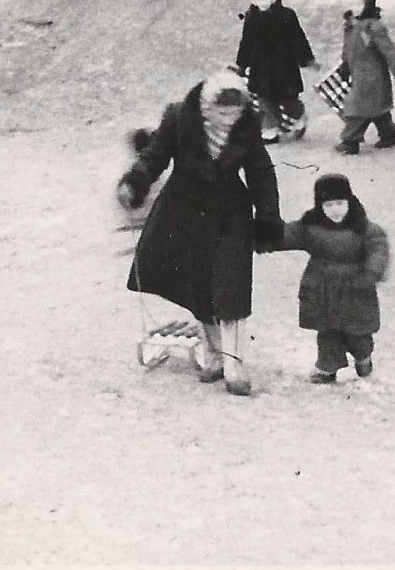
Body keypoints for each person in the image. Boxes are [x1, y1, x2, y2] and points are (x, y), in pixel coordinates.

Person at [117, 68, 283, 395]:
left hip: (230, 214)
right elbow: (155, 155)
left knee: (231, 287)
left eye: (235, 113)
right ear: (208, 106)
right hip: (186, 214)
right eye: (223, 113)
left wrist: (267, 218)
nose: (229, 119)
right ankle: (216, 356)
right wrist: (135, 183)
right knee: (201, 287)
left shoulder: (246, 126)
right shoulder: (179, 117)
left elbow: (261, 172)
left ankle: (235, 365)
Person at [274, 174, 390, 384]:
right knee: (327, 332)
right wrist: (265, 234)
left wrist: (372, 271)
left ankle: (363, 356)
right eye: (328, 205)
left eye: (340, 203)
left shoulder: (365, 229)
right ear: (320, 206)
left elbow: (378, 249)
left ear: (349, 202)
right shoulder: (310, 227)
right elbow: (287, 235)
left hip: (355, 289)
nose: (335, 210)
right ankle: (327, 366)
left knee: (358, 334)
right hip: (322, 289)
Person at [234, 0, 317, 143]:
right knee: (264, 99)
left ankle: (298, 115)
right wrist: (242, 65)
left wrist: (306, 59)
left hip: (283, 66)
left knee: (288, 99)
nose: (263, 2)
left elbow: (298, 38)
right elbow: (247, 42)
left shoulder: (286, 15)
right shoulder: (251, 18)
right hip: (261, 66)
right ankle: (270, 128)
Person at [335, 0, 395, 155]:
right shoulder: (351, 26)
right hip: (360, 76)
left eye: (358, 2)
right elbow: (348, 48)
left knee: (359, 110)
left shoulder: (373, 28)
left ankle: (350, 140)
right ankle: (388, 133)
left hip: (372, 80)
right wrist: (345, 66)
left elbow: (391, 52)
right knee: (377, 109)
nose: (352, 7)